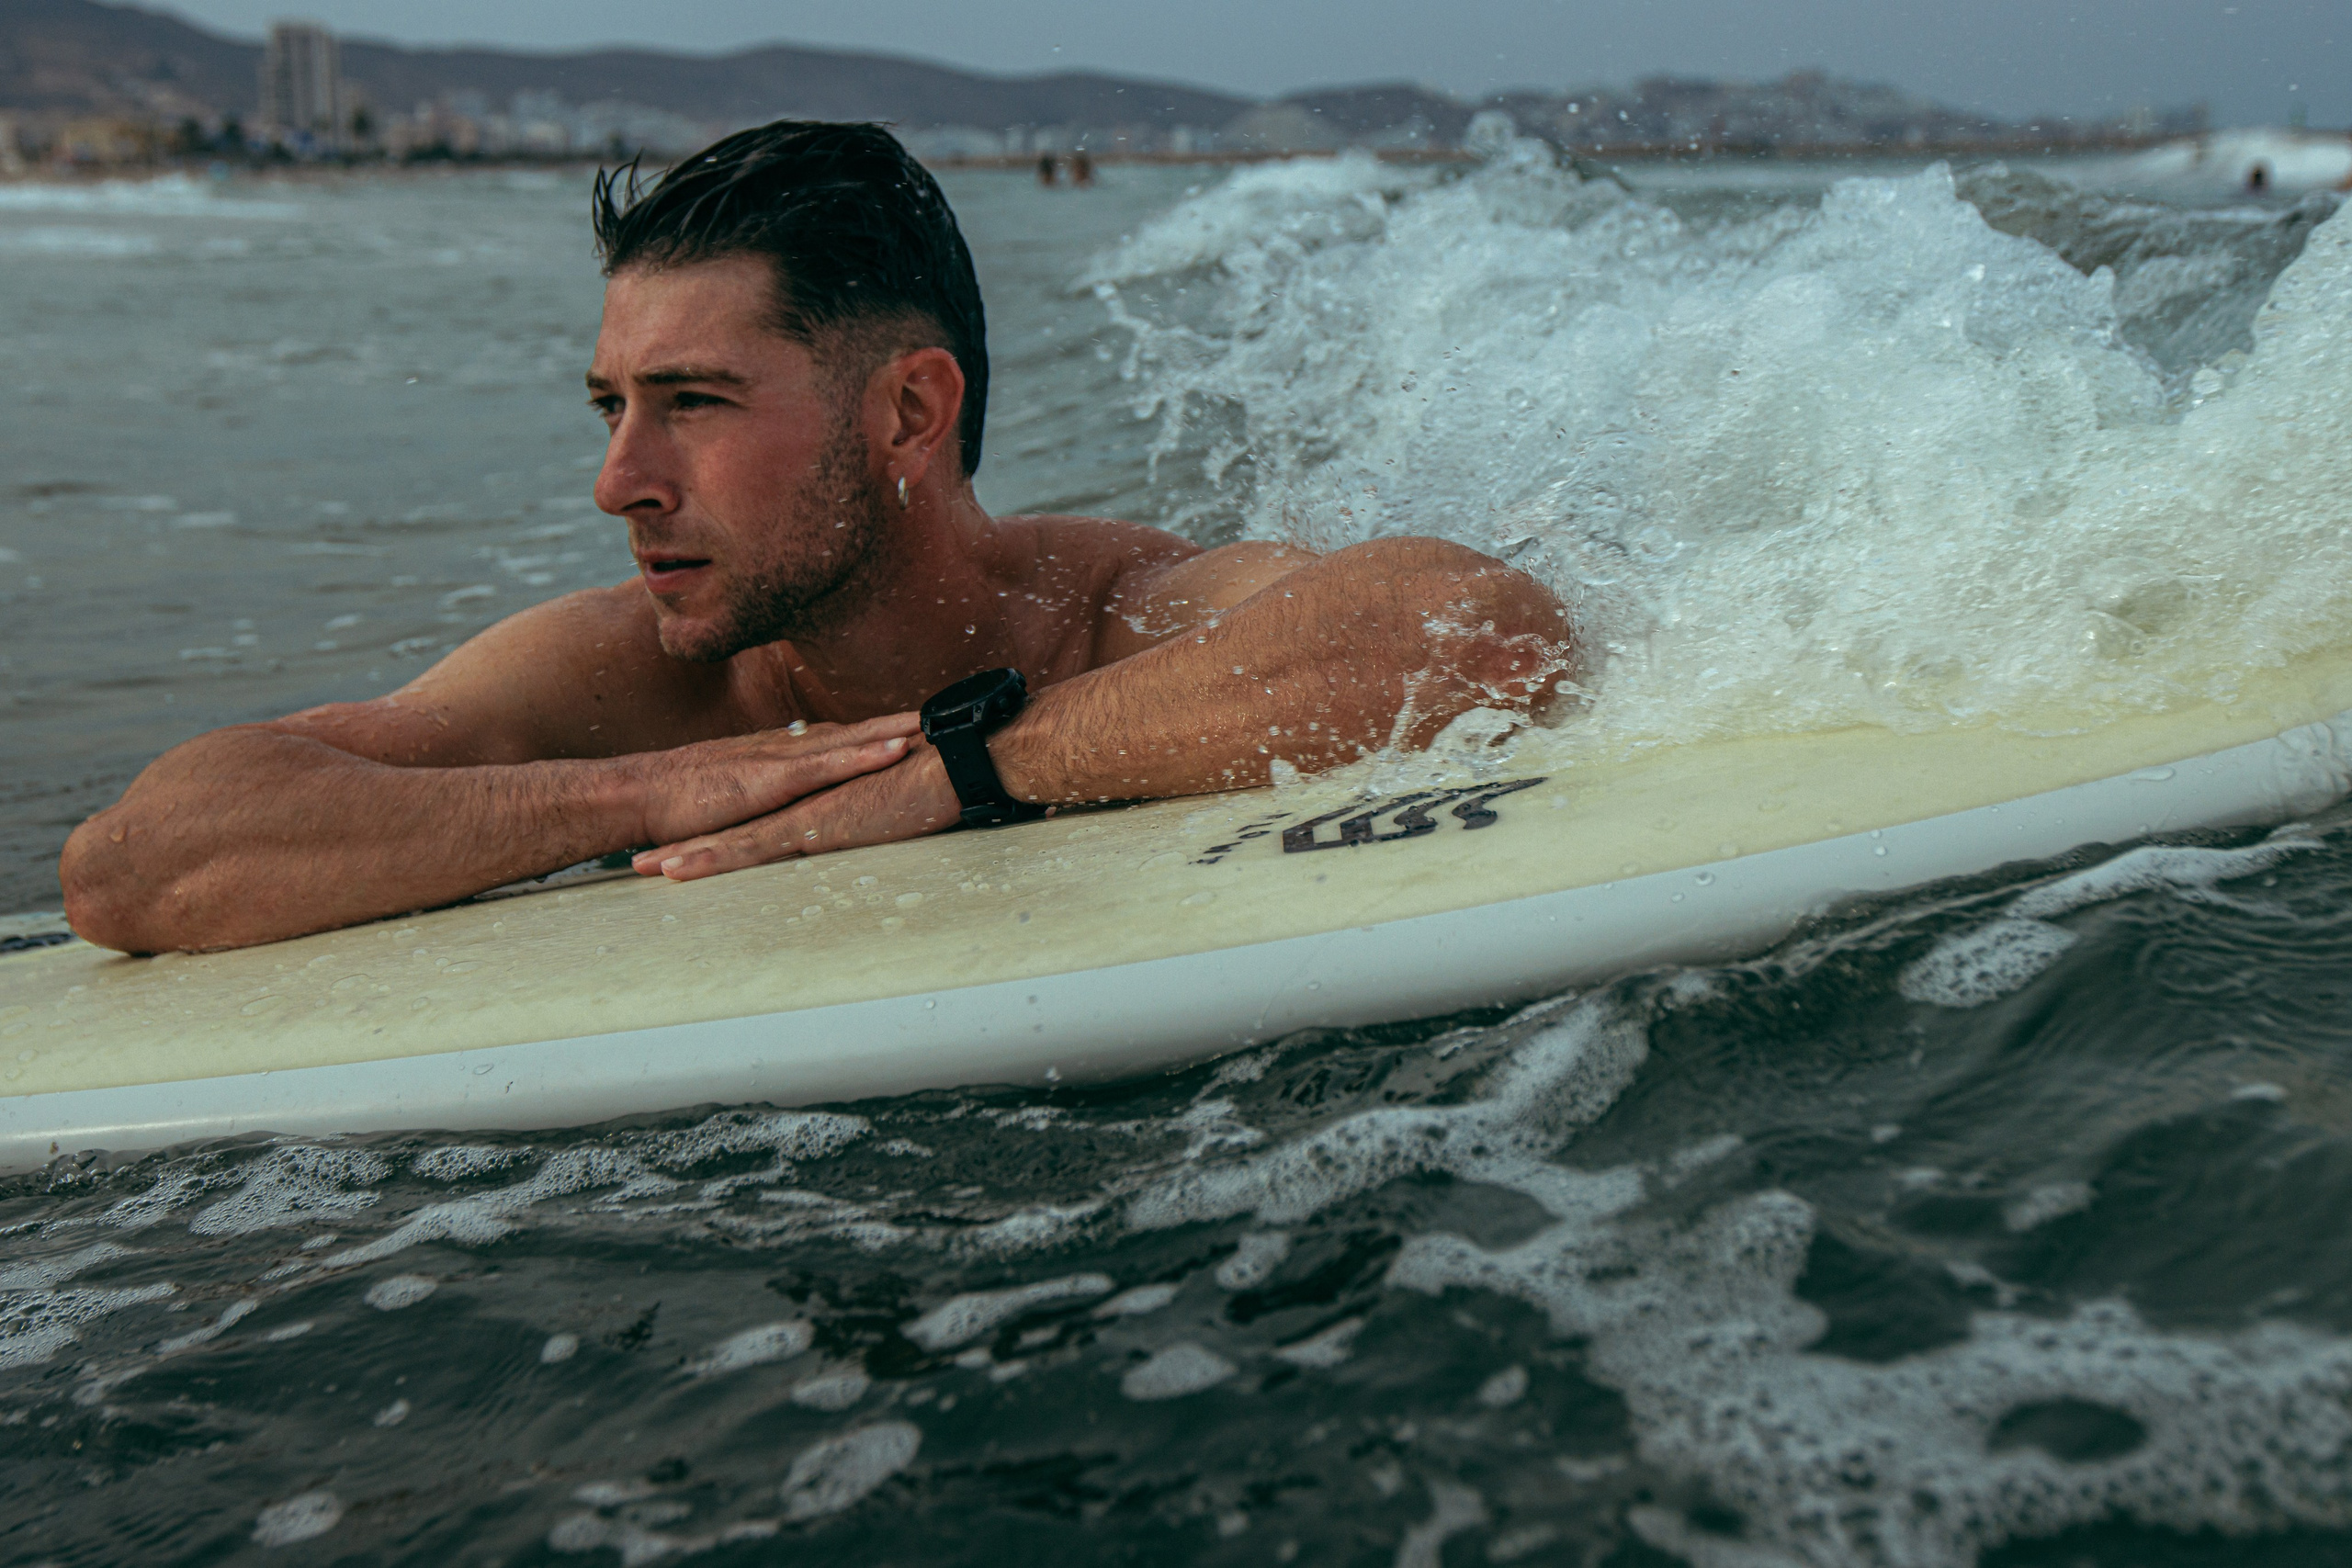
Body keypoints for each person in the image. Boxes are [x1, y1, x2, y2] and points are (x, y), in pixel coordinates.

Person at [59, 121, 1571, 955]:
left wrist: (970, 767)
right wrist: (651, 793)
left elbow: (1482, 625)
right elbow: (140, 864)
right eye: (609, 408)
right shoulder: (654, 690)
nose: (621, 482)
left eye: (695, 402)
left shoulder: (1125, 608)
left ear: (910, 415)